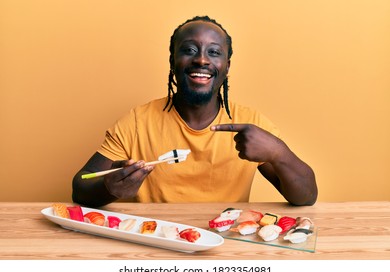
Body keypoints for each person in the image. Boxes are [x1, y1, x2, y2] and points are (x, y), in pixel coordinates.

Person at [72, 16, 318, 207]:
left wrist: (278, 152)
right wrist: (109, 188)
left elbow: (306, 197)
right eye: (189, 50)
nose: (201, 60)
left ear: (226, 66)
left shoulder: (250, 122)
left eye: (214, 52)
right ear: (172, 61)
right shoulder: (138, 121)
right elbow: (80, 187)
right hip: (158, 241)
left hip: (226, 242)